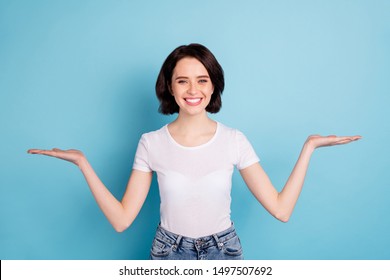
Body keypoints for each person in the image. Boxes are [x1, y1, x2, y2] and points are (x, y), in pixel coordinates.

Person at [28, 43, 361, 260]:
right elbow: (121, 220)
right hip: (168, 253)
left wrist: (309, 147)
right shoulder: (151, 143)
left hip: (223, 253)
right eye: (182, 80)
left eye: (202, 80)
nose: (193, 90)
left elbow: (281, 209)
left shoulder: (234, 140)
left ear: (213, 85)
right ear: (169, 87)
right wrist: (82, 163)